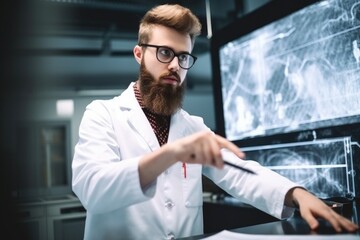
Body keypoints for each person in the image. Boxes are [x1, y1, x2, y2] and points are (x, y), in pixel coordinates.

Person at [72, 4, 359, 240]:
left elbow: (239, 172)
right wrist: (173, 153)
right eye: (164, 52)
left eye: (183, 56)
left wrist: (296, 194)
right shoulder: (103, 114)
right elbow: (92, 189)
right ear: (139, 54)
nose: (175, 65)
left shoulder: (191, 126)